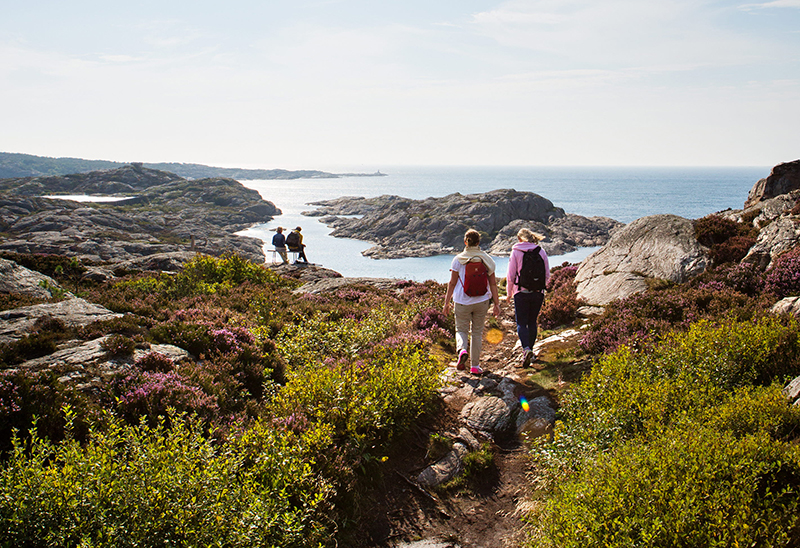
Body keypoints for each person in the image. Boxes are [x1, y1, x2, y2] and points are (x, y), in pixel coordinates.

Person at [443, 229, 501, 375]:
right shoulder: (487, 260)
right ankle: (475, 366)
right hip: (482, 301)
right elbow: (493, 284)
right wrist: (496, 304)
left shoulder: (458, 260)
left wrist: (446, 303)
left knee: (461, 330)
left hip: (462, 301)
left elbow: (452, 283)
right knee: (477, 333)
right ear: (478, 242)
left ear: (465, 242)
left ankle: (462, 350)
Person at [506, 228, 550, 368]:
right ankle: (530, 351)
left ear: (519, 239)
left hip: (521, 292)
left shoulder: (516, 252)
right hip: (538, 292)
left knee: (521, 322)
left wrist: (509, 293)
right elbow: (547, 274)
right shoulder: (540, 251)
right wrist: (542, 288)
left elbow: (511, 275)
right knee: (532, 322)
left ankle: (526, 350)